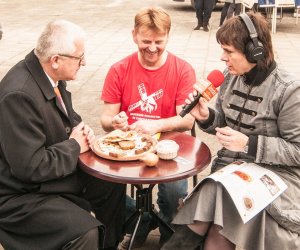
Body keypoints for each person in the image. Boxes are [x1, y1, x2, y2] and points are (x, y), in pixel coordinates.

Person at [162, 12, 300, 250]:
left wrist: (249, 144)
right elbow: (225, 126)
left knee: (220, 190)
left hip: (277, 176)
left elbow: (297, 151)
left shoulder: (288, 91)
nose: (222, 57)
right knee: (223, 196)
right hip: (233, 172)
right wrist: (206, 117)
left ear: (254, 50)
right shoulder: (229, 78)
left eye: (228, 51)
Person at [0, 20, 126, 250]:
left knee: (111, 179)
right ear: (56, 60)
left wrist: (83, 129)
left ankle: (108, 245)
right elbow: (30, 167)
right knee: (85, 232)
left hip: (49, 179)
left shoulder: (47, 75)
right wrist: (75, 145)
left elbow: (66, 117)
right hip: (20, 197)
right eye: (79, 57)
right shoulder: (19, 95)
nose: (84, 62)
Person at [100, 6, 196, 248]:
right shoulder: (119, 69)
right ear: (134, 35)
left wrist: (156, 125)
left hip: (170, 145)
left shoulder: (182, 70)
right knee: (100, 187)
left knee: (173, 192)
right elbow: (106, 119)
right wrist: (115, 122)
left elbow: (187, 120)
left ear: (168, 37)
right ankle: (141, 221)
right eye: (145, 41)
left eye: (158, 41)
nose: (152, 48)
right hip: (131, 146)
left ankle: (167, 228)